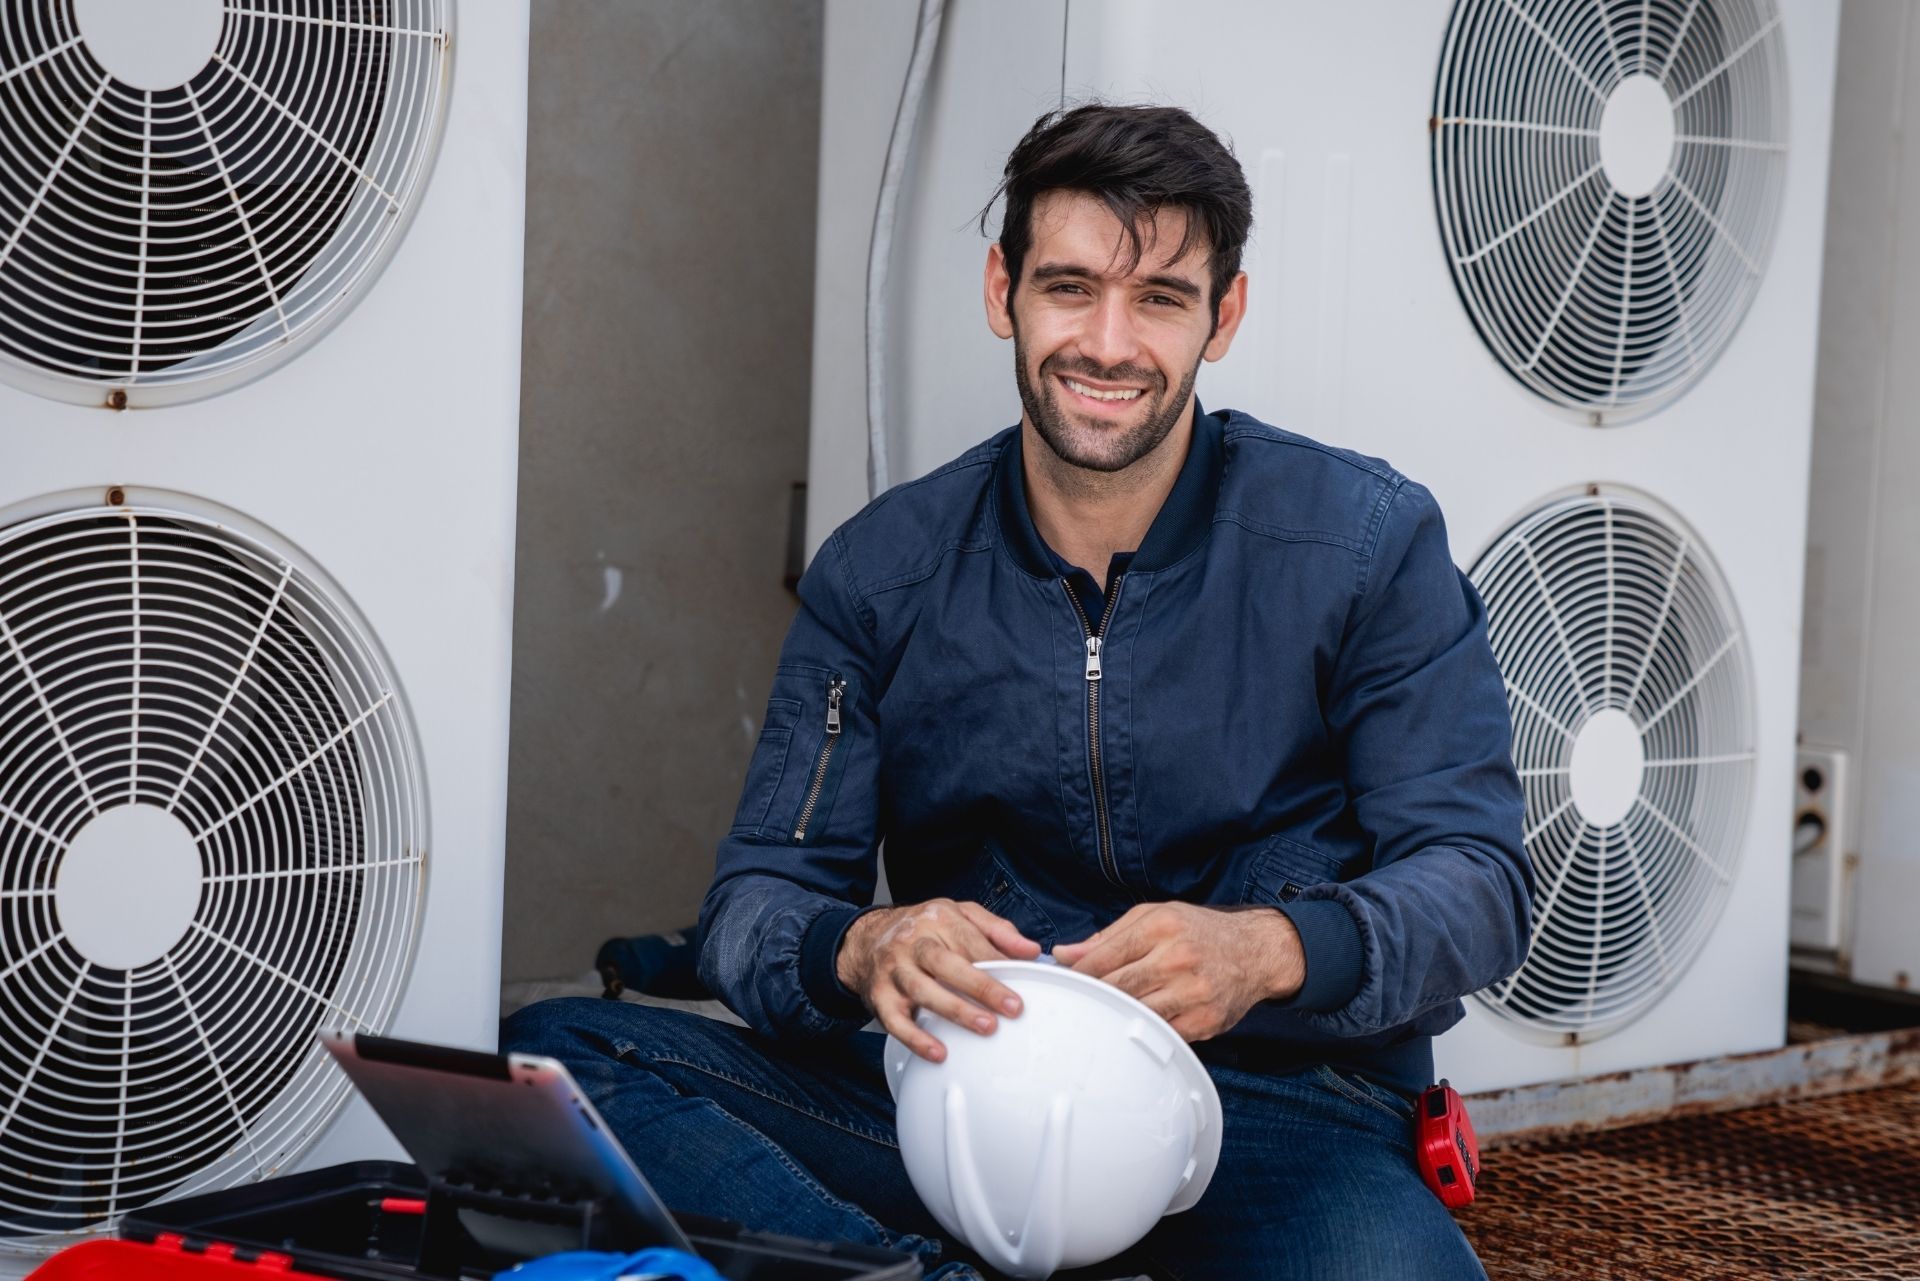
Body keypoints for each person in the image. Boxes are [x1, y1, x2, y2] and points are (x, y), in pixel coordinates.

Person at [505, 103, 1531, 1280]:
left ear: (1224, 318)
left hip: (1276, 1112)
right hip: (964, 1099)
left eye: (1159, 299)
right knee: (558, 1057)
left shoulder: (1367, 542)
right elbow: (758, 901)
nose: (1107, 343)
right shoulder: (880, 573)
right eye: (1069, 286)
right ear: (1002, 291)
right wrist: (864, 946)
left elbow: (1481, 882)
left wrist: (1265, 952)